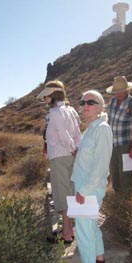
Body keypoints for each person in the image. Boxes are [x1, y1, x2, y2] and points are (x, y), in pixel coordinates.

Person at [65, 90, 113, 263]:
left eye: (90, 102)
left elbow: (101, 165)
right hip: (85, 188)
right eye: (83, 102)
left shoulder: (101, 129)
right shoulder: (91, 129)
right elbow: (90, 159)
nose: (85, 105)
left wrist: (83, 192)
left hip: (88, 190)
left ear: (100, 107)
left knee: (84, 234)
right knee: (92, 230)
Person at [37, 80, 81, 243]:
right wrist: (76, 149)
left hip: (60, 157)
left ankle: (67, 234)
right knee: (70, 190)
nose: (44, 99)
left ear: (53, 95)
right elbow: (77, 133)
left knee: (62, 194)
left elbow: (63, 134)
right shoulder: (71, 110)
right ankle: (69, 230)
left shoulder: (55, 112)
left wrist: (71, 148)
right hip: (70, 156)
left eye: (46, 96)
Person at [106, 75, 132, 198]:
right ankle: (118, 203)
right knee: (115, 176)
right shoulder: (112, 103)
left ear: (127, 90)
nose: (118, 94)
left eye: (121, 91)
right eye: (116, 91)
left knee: (126, 177)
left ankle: (127, 205)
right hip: (112, 146)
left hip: (126, 146)